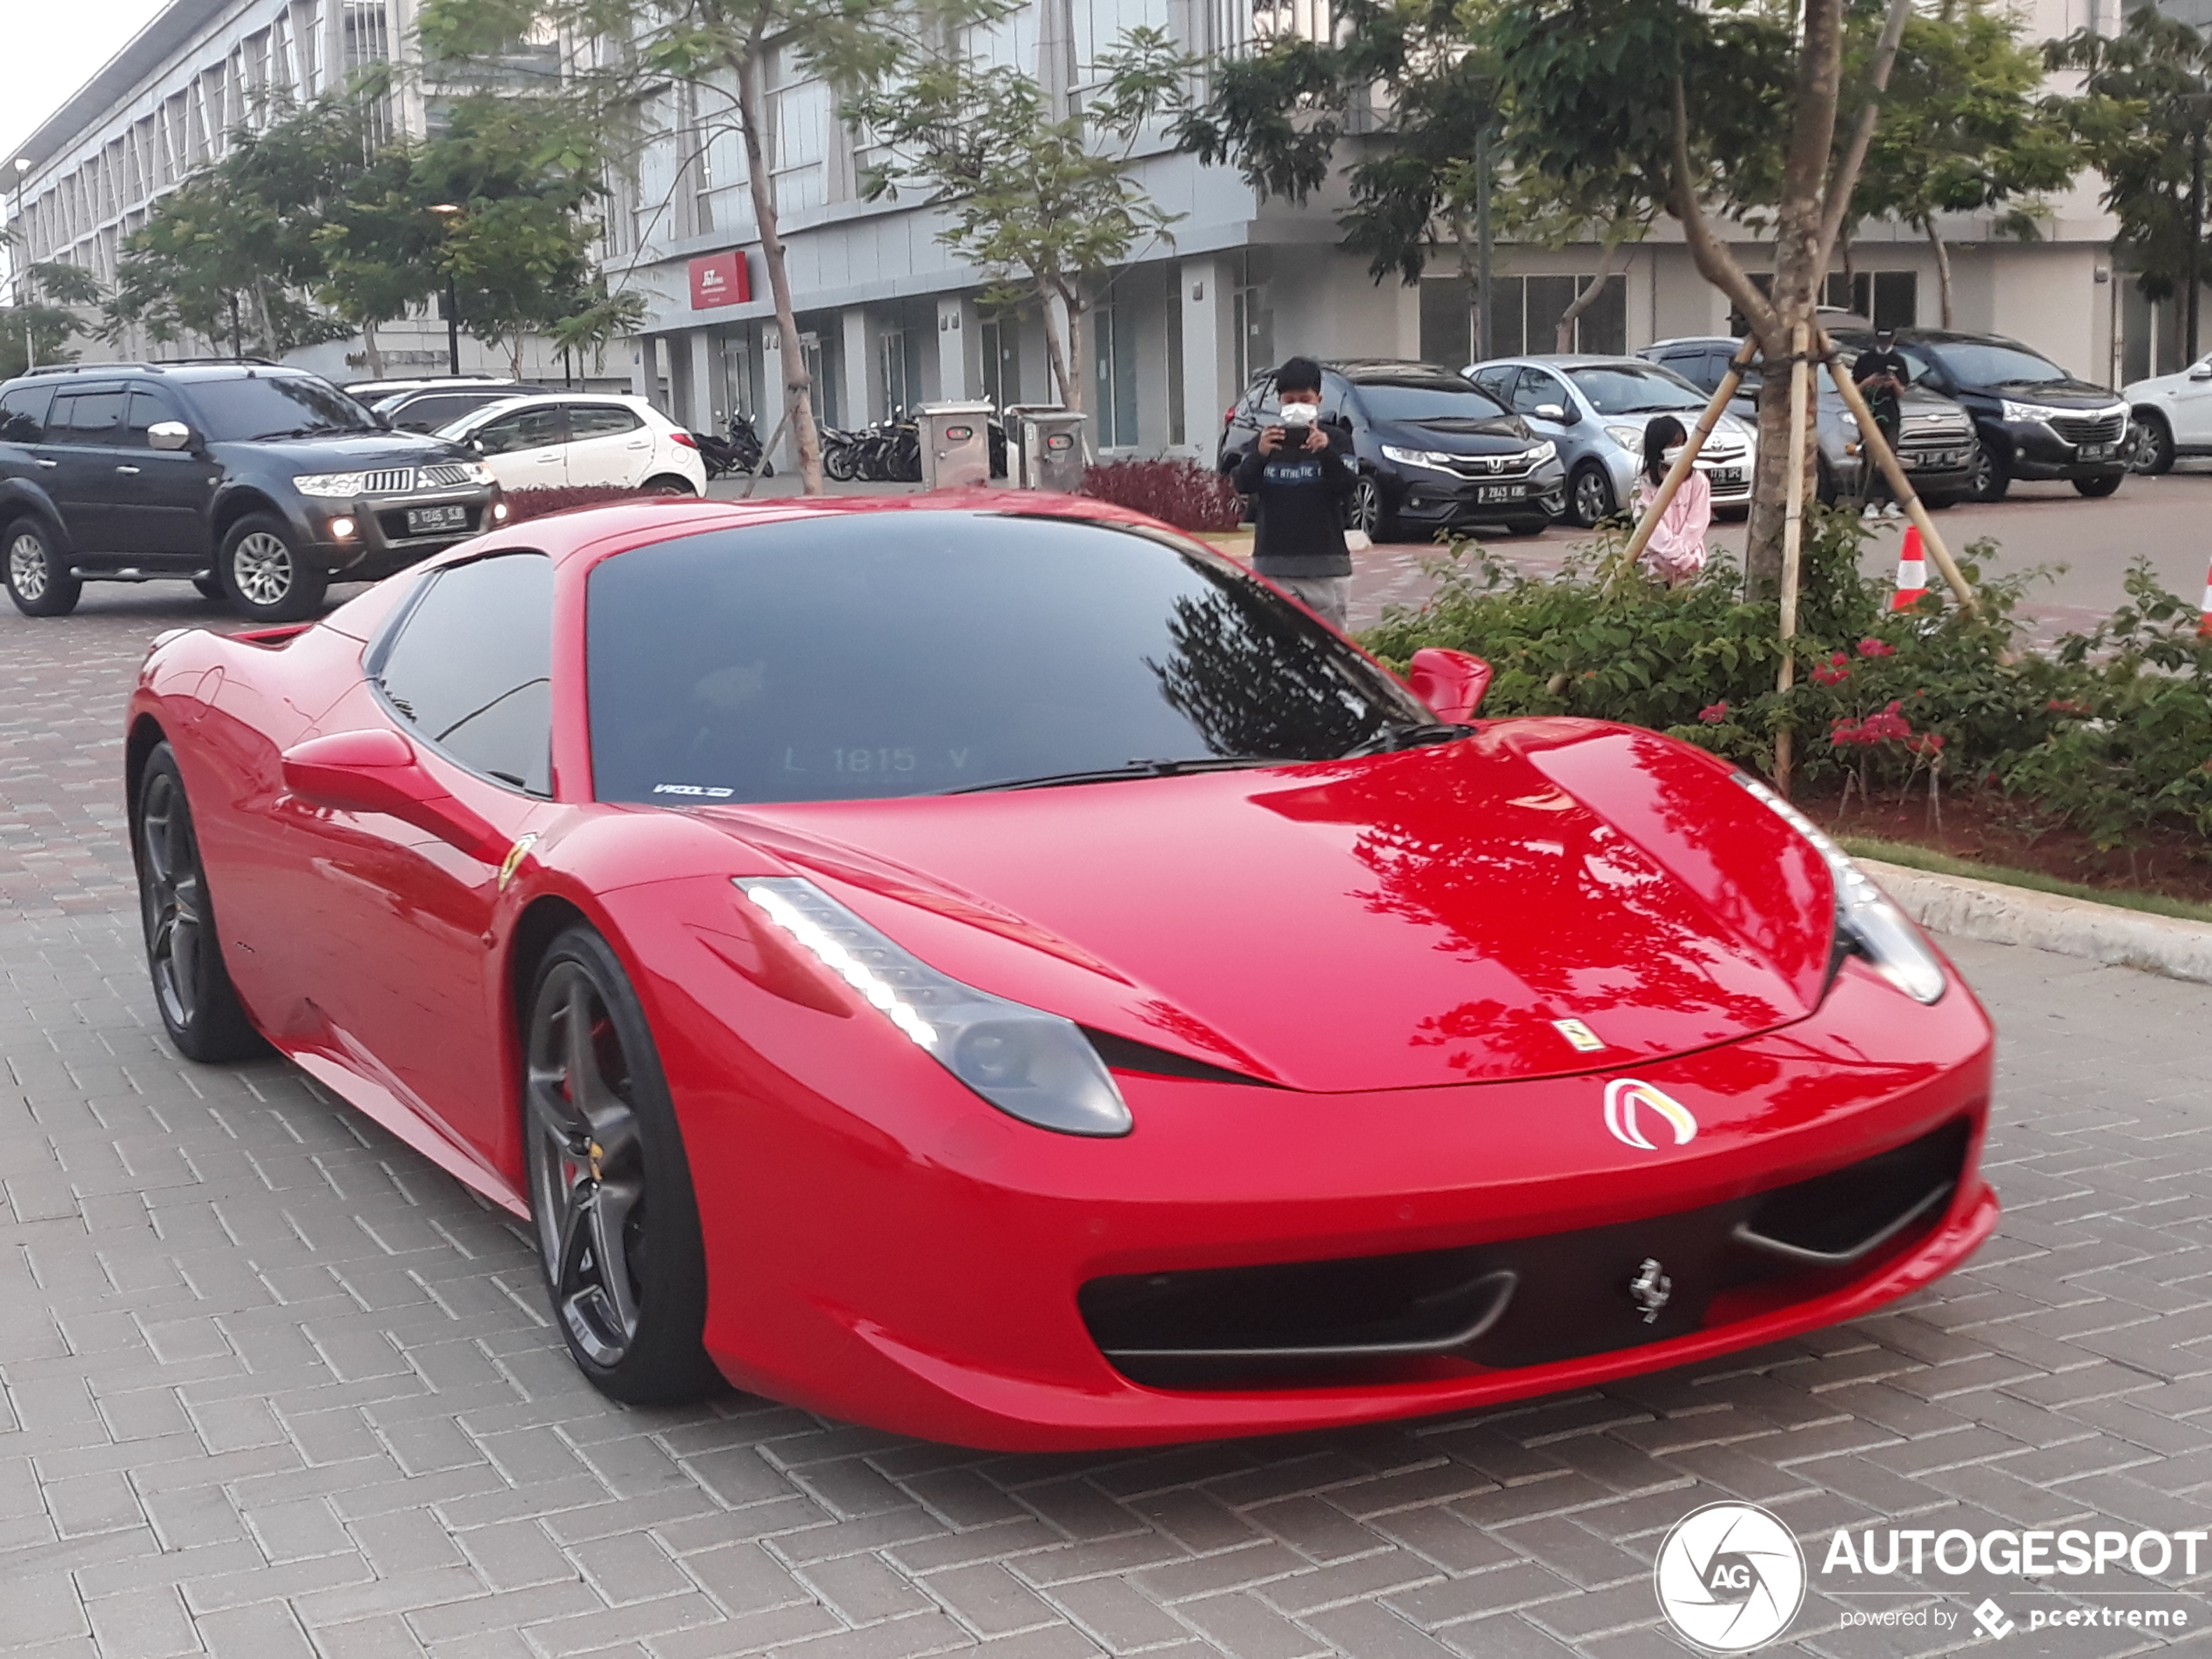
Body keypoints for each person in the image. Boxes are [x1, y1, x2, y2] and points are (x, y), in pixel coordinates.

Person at [1231, 355, 1359, 630]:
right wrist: (1260, 454)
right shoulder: (1266, 441)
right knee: (1278, 648)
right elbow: (1242, 483)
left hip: (1326, 569)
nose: (1297, 406)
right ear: (1279, 402)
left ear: (1319, 400)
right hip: (1273, 567)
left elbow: (1347, 485)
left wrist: (1325, 453)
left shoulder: (1336, 440)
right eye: (1289, 401)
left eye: (1305, 399)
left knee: (1329, 651)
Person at [1630, 415, 1710, 586]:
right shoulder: (1642, 488)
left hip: (1691, 566)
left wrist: (1685, 559)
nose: (1679, 449)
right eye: (1673, 446)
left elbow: (1697, 524)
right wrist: (1678, 556)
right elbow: (1651, 531)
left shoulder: (1697, 480)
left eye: (1682, 444)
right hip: (1655, 569)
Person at [1851, 329, 1912, 518]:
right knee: (1869, 460)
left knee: (1890, 459)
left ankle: (1890, 501)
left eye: (1887, 341)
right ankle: (1868, 502)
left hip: (1891, 415)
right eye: (1881, 341)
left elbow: (1904, 392)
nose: (1884, 344)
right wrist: (1868, 382)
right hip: (1869, 415)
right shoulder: (1865, 360)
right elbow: (1853, 388)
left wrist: (1893, 383)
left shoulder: (1899, 360)